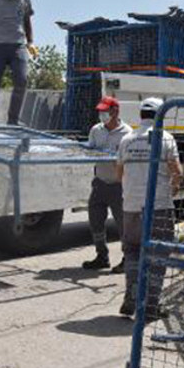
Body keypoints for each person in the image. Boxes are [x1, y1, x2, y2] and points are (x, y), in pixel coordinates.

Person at [116, 97, 183, 319]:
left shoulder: (127, 139)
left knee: (133, 251)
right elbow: (177, 172)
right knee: (158, 255)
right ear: (160, 114)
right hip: (159, 207)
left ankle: (132, 295)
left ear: (141, 115)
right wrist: (172, 190)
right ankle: (151, 306)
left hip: (131, 207)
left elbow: (120, 174)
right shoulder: (165, 138)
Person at [82, 96, 133, 272]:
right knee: (95, 221)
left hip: (118, 185)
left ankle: (128, 258)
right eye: (100, 111)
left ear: (115, 111)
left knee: (123, 225)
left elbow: (130, 161)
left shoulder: (127, 133)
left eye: (105, 111)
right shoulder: (96, 130)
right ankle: (101, 256)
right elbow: (90, 150)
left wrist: (116, 161)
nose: (102, 114)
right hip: (100, 183)